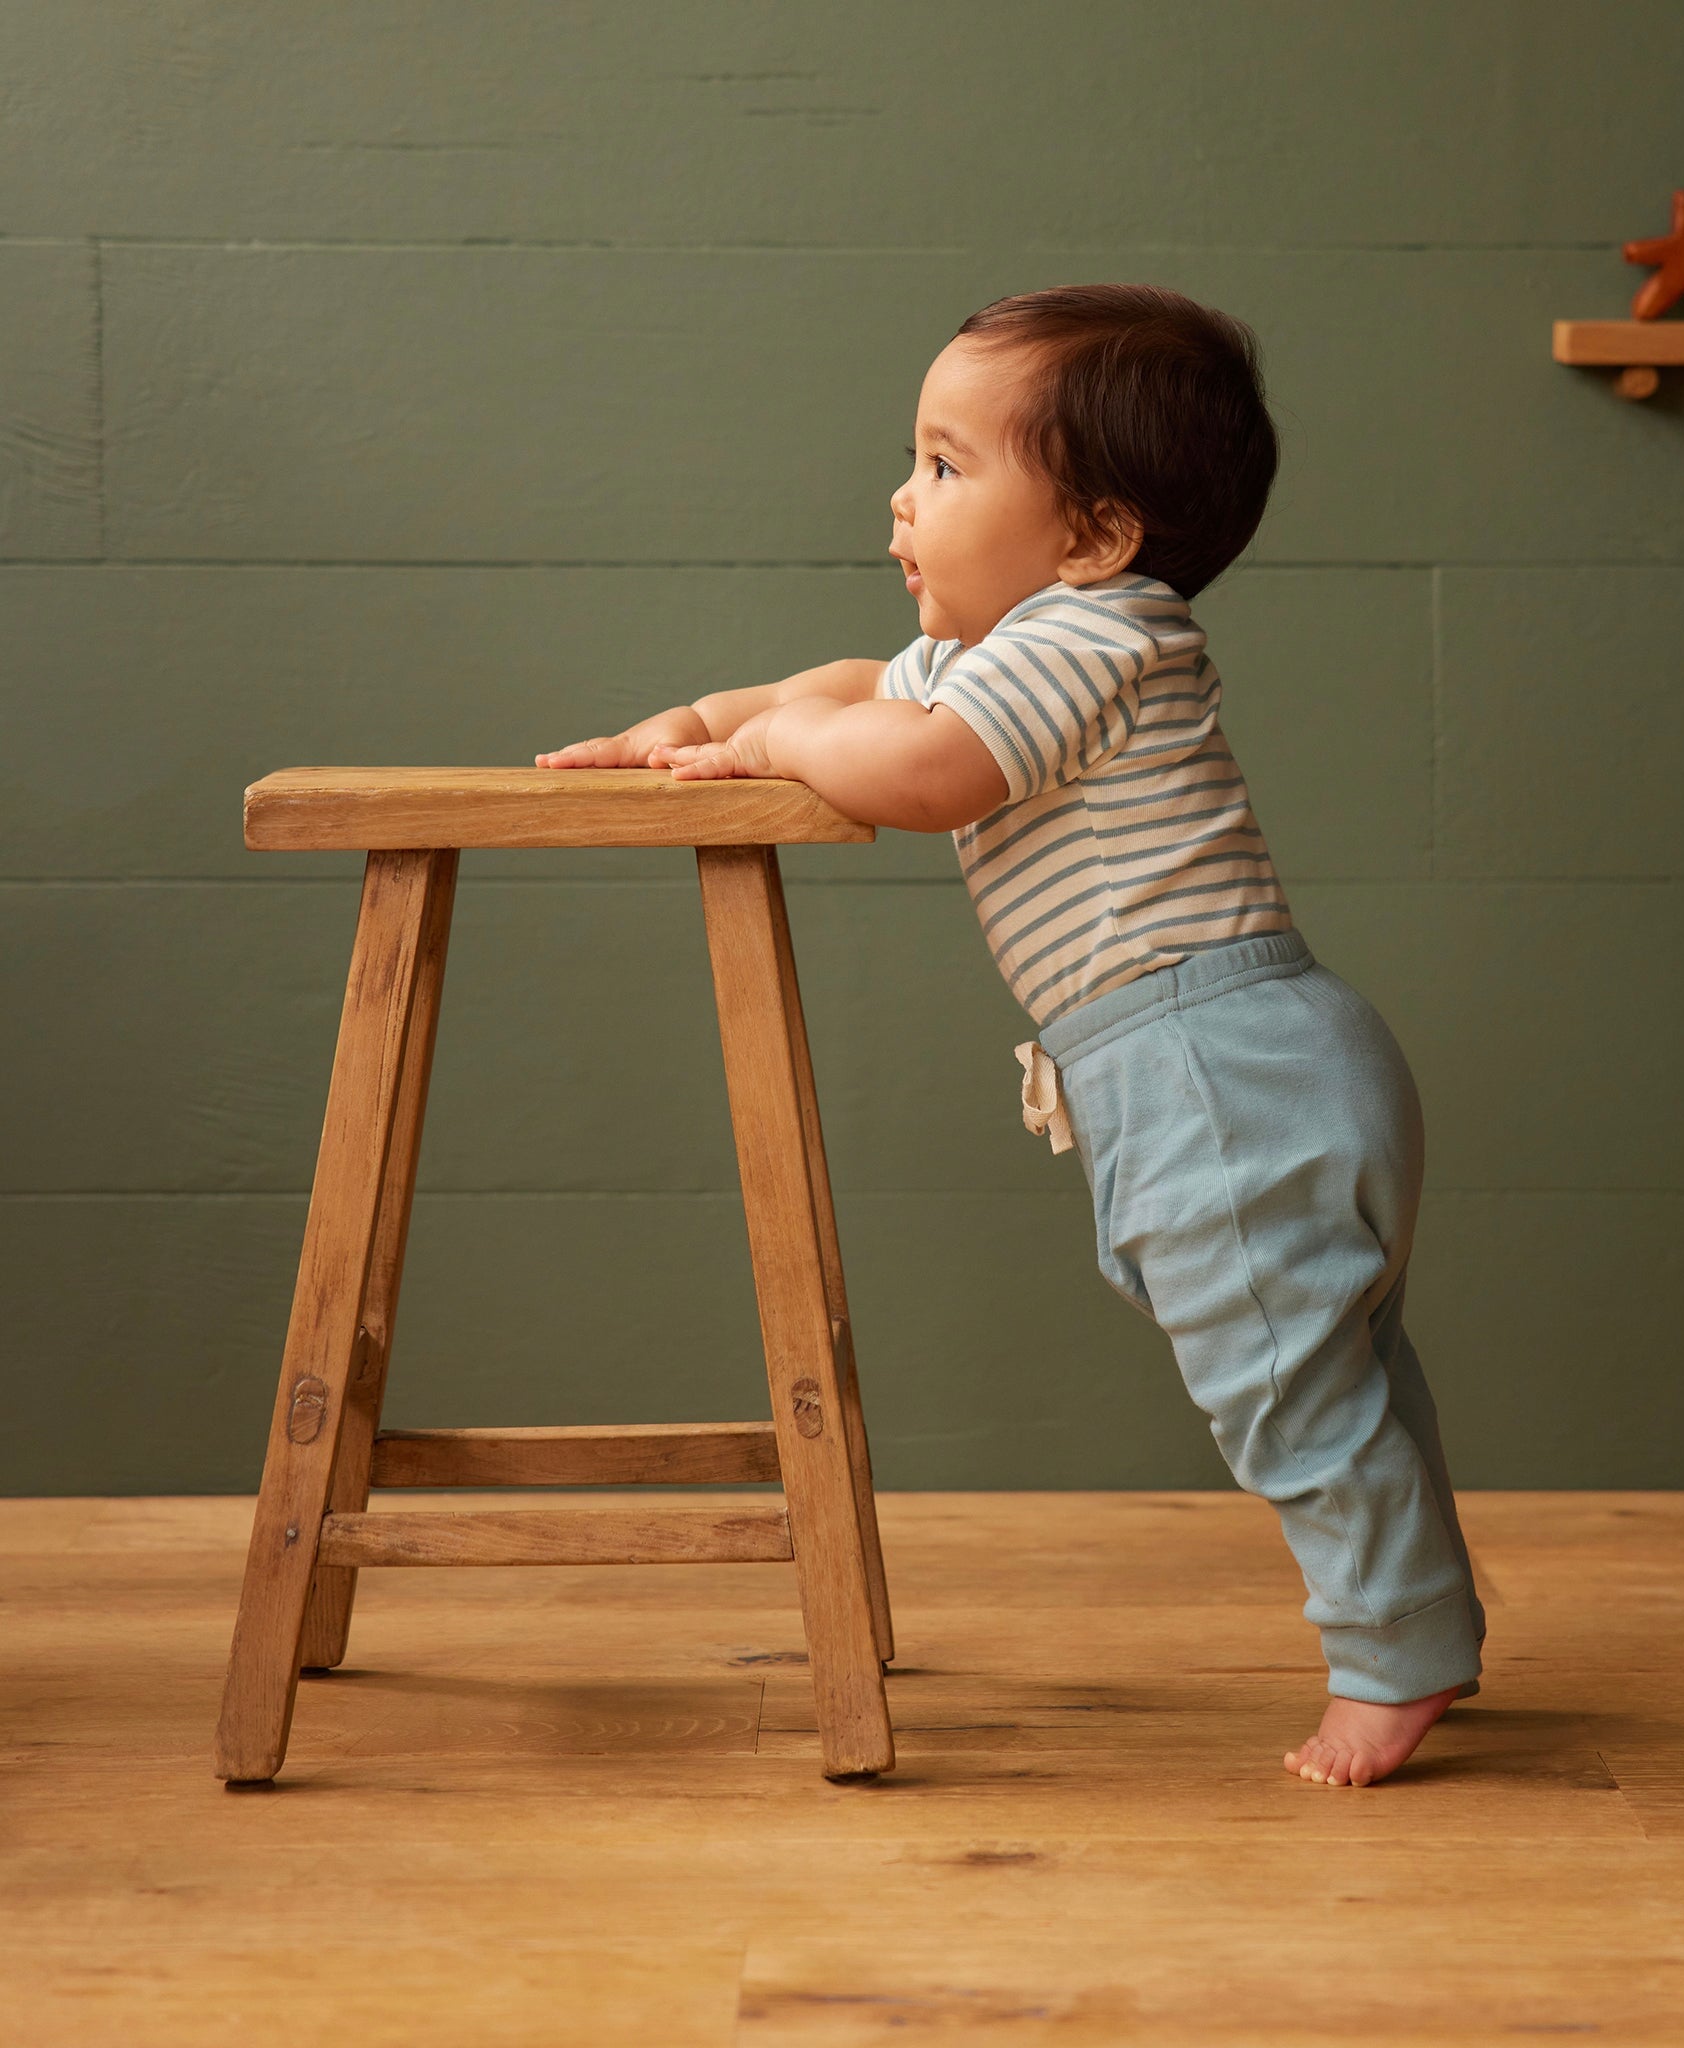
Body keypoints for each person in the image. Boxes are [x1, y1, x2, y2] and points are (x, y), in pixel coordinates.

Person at [538, 284, 1486, 1787]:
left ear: (1094, 535)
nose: (900, 499)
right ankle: (1419, 1620)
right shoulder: (1022, 648)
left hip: (1217, 1069)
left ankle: (1394, 1658)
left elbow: (918, 770)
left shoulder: (1094, 636)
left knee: (1289, 1389)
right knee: (1341, 1369)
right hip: (1252, 1057)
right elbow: (846, 687)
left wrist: (778, 746)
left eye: (945, 466)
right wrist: (696, 722)